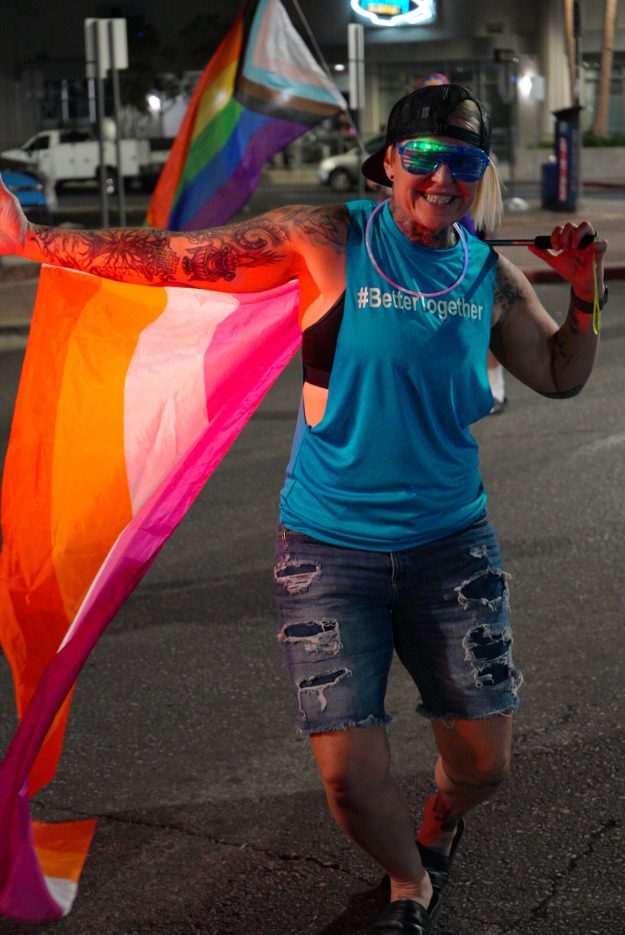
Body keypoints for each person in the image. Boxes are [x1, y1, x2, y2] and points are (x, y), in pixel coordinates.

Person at [0, 84, 607, 934]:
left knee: (481, 768)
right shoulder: (326, 238)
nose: (441, 178)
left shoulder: (487, 274)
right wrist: (37, 241)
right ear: (390, 161)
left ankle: (438, 821)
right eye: (423, 157)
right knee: (347, 779)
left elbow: (559, 372)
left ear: (478, 173)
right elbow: (174, 254)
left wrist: (585, 294)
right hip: (328, 550)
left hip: (450, 550)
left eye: (461, 161)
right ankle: (408, 880)